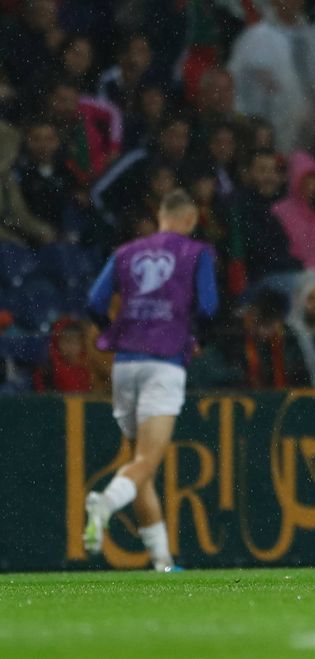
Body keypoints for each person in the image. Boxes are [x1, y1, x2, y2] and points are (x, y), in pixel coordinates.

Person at [83, 189, 219, 572]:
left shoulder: (126, 253)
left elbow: (93, 301)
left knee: (140, 465)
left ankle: (162, 560)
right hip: (164, 362)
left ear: (161, 216)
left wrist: (115, 330)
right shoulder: (197, 254)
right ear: (190, 220)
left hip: (125, 364)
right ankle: (105, 503)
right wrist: (195, 339)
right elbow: (209, 307)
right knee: (146, 460)